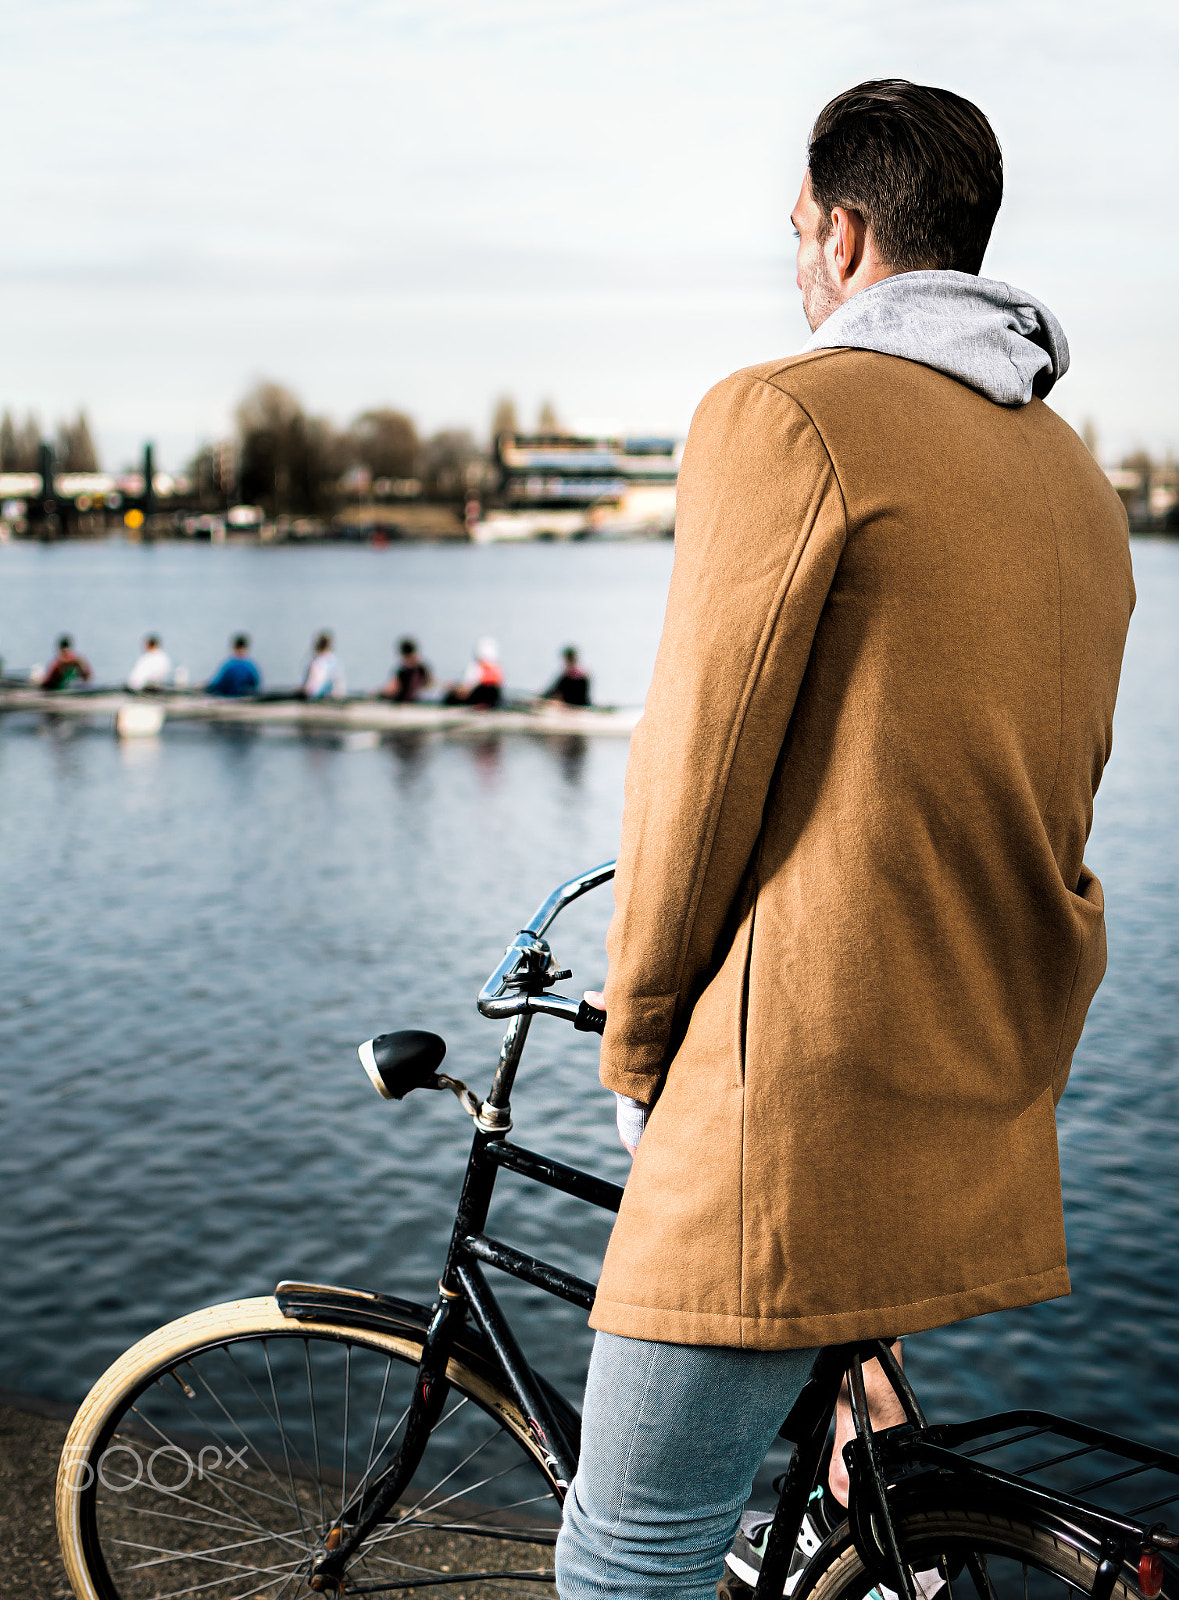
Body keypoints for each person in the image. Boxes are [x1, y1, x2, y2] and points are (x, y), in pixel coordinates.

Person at [554, 79, 1134, 1600]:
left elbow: (693, 769)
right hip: (977, 1074)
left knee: (626, 1554)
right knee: (844, 1480)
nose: (793, 262)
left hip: (787, 1095)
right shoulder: (1071, 475)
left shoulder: (786, 413)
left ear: (846, 228)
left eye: (796, 231)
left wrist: (638, 1050)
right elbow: (1055, 782)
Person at [443, 637, 504, 708]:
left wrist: (454, 689)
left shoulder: (474, 667)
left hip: (478, 696)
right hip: (491, 698)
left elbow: (466, 688)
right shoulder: (498, 668)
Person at [381, 638, 433, 703]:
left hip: (405, 701)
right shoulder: (420, 669)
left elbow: (391, 689)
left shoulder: (405, 671)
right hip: (409, 701)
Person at [301, 631, 345, 700]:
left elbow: (311, 687)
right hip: (333, 696)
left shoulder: (316, 662)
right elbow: (339, 685)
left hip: (315, 696)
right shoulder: (334, 661)